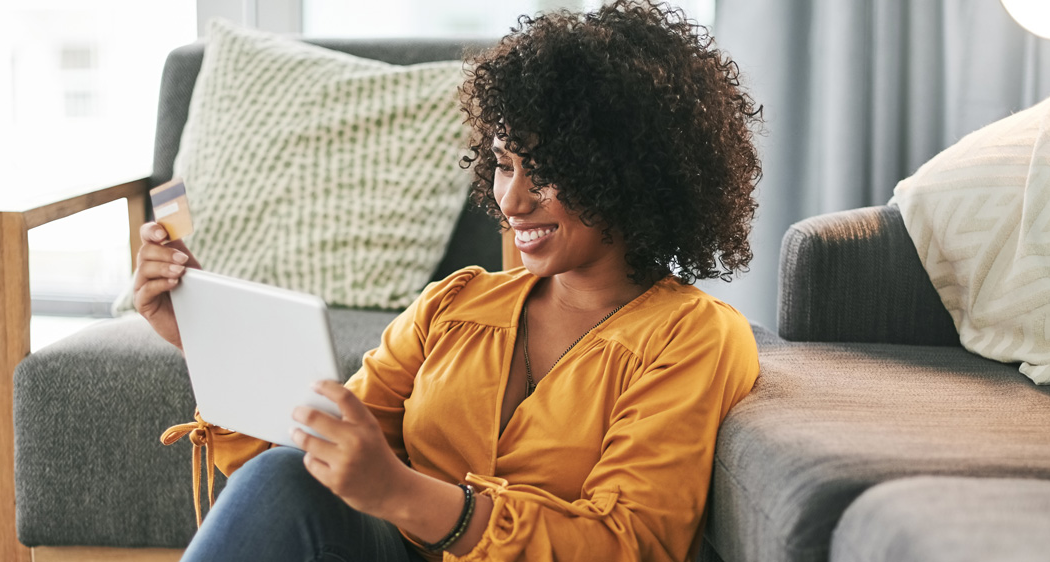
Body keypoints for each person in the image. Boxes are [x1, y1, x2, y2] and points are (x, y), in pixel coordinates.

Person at [134, 1, 763, 560]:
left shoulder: (693, 337)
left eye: (542, 172)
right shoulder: (456, 304)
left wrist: (404, 492)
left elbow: (631, 543)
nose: (512, 199)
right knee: (285, 479)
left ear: (626, 173)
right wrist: (198, 333)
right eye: (503, 164)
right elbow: (312, 456)